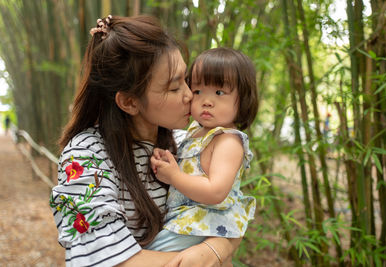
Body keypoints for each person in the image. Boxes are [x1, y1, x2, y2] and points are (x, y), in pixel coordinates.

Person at [49, 15, 239, 267]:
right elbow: (107, 260)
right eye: (173, 88)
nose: (189, 95)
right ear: (129, 102)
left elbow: (232, 209)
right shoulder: (86, 157)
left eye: (186, 80)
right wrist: (209, 253)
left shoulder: (189, 140)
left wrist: (217, 246)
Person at [146, 48, 258, 252]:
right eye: (198, 91)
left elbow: (216, 191)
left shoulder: (228, 141)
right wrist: (167, 161)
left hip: (204, 223)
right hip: (185, 221)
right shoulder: (196, 130)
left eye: (219, 92)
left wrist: (174, 176)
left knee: (152, 254)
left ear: (243, 98)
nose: (206, 101)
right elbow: (190, 167)